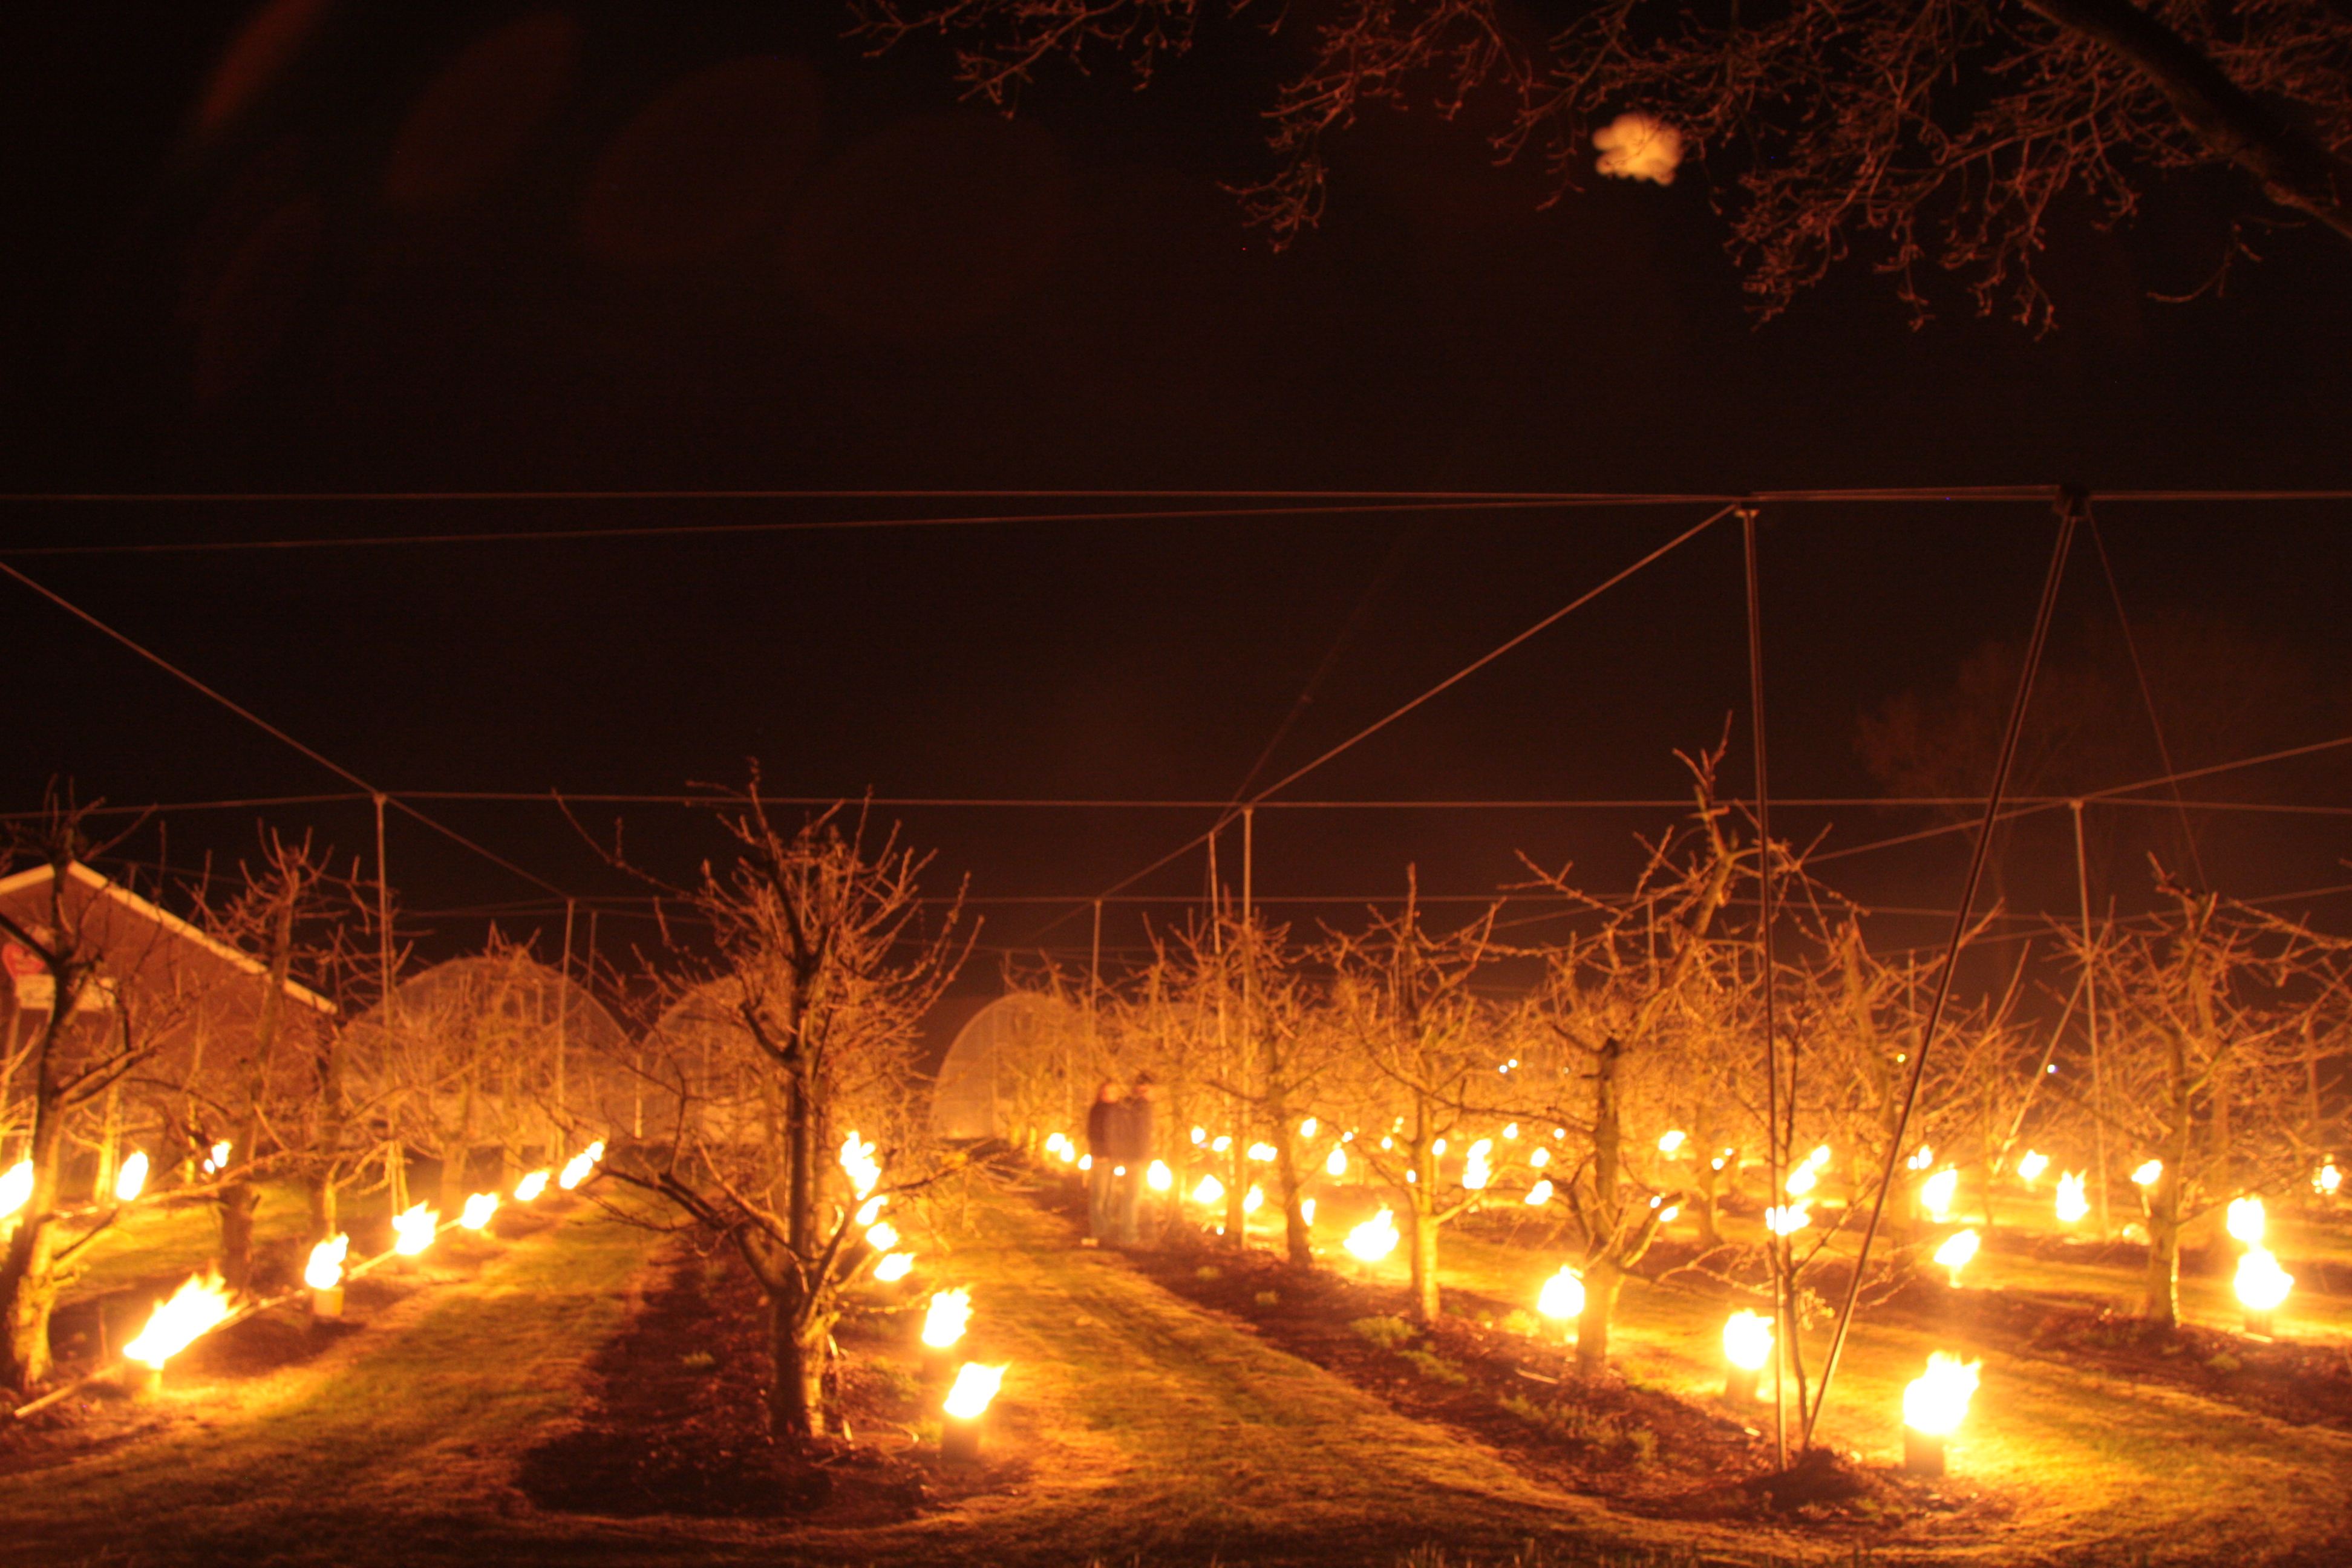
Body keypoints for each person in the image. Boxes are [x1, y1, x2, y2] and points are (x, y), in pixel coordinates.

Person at [1111, 1072, 1157, 1246]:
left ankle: (1134, 1231)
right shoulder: (1141, 1108)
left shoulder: (1132, 1107)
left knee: (1133, 1195)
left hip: (1136, 1157)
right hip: (1137, 1157)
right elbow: (1142, 1135)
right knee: (1132, 1196)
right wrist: (1145, 1156)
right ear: (1145, 1089)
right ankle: (1128, 1235)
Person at [1083, 1079, 1124, 1246]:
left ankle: (1106, 1230)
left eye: (1113, 1092)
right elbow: (1094, 1134)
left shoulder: (1120, 1111)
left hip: (1115, 1158)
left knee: (1110, 1195)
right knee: (1098, 1196)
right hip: (1101, 1158)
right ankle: (1098, 1230)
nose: (1109, 1096)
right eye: (1106, 1093)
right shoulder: (1097, 1111)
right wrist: (1099, 1153)